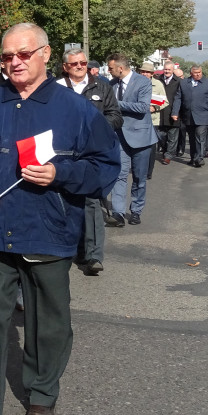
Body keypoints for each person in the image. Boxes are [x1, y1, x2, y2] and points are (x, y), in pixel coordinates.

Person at [0, 23, 119, 415]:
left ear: (45, 54)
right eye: (7, 57)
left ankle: (42, 394)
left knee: (48, 322)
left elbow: (105, 168)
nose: (15, 63)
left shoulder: (75, 110)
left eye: (23, 54)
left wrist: (61, 173)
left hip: (48, 231)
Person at [57, 48, 121, 274]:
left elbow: (115, 116)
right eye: (74, 64)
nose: (79, 67)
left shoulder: (102, 87)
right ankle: (72, 250)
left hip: (92, 154)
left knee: (92, 202)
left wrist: (95, 128)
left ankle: (94, 256)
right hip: (62, 154)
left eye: (83, 63)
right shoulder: (55, 89)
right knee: (65, 202)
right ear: (65, 66)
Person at [105, 54, 154, 227]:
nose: (109, 71)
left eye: (110, 68)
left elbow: (142, 107)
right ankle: (118, 213)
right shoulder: (110, 85)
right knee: (119, 175)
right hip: (119, 137)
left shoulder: (143, 82)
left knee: (140, 178)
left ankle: (136, 211)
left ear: (120, 68)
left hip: (141, 138)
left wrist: (116, 103)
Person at [174, 66, 208, 167]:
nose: (198, 74)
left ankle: (199, 158)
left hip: (203, 115)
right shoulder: (184, 83)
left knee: (200, 136)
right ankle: (193, 157)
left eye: (199, 72)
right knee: (191, 138)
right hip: (188, 116)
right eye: (195, 73)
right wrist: (175, 112)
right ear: (191, 73)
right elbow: (178, 98)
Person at [139, 61, 167, 180]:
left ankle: (148, 172)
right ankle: (139, 169)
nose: (145, 74)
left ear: (152, 74)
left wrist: (155, 107)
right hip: (138, 119)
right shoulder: (134, 83)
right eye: (143, 71)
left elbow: (165, 101)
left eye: (147, 72)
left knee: (151, 148)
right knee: (139, 147)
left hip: (152, 120)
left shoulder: (158, 85)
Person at [157, 61, 182, 164]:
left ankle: (168, 155)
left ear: (173, 70)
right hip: (160, 113)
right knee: (161, 135)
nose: (167, 71)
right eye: (165, 69)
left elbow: (180, 98)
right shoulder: (158, 80)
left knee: (172, 137)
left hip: (173, 112)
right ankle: (165, 151)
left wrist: (177, 111)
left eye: (169, 70)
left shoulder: (179, 81)